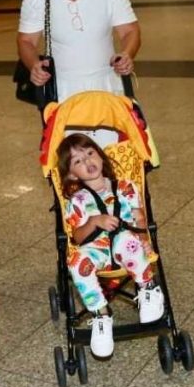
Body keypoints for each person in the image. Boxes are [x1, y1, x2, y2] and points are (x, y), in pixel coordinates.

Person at [58, 134, 164, 358]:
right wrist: (93, 222)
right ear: (71, 174)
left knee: (128, 242)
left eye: (90, 153)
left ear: (100, 155)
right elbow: (77, 237)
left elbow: (139, 220)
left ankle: (148, 288)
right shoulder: (77, 201)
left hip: (126, 246)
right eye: (78, 161)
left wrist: (145, 241)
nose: (87, 161)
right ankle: (101, 315)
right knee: (76, 261)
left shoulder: (126, 187)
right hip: (96, 249)